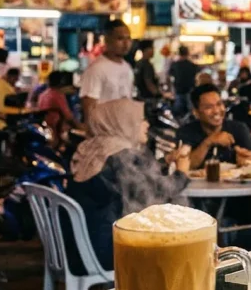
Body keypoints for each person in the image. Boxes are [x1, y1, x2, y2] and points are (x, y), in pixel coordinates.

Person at [67, 99, 188, 272]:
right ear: (123, 122)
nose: (146, 124)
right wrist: (182, 172)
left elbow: (135, 180)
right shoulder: (121, 155)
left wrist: (165, 161)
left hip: (77, 251)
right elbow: (161, 191)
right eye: (140, 120)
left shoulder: (93, 148)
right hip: (108, 252)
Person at [177, 83, 251, 169]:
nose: (216, 111)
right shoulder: (186, 132)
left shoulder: (239, 129)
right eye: (208, 107)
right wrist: (209, 141)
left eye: (219, 104)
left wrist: (246, 161)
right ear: (196, 113)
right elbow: (186, 166)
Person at [79, 18, 134, 122]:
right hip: (105, 133)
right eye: (120, 39)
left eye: (128, 38)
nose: (126, 44)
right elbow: (89, 108)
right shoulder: (96, 69)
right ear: (107, 40)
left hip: (123, 131)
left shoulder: (127, 68)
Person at [37, 71, 85, 141]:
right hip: (57, 131)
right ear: (61, 82)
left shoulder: (42, 95)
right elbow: (69, 117)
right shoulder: (57, 95)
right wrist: (81, 127)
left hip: (46, 130)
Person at [169, 45, 199, 117]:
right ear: (187, 53)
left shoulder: (175, 65)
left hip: (178, 91)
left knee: (178, 112)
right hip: (190, 91)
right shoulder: (192, 65)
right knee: (191, 112)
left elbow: (170, 77)